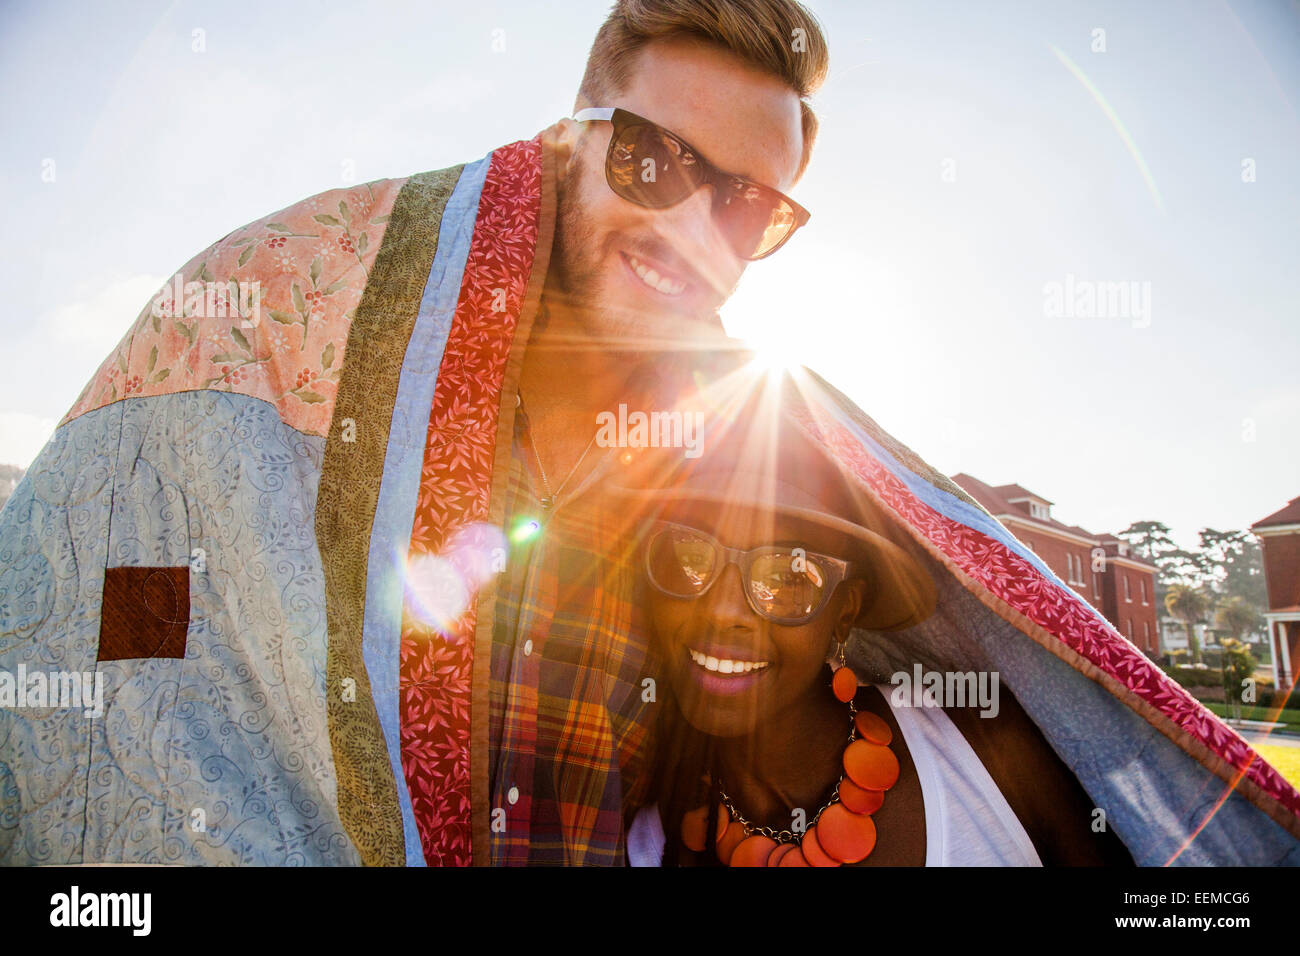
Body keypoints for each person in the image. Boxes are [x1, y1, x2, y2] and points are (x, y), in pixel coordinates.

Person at [0, 0, 830, 865]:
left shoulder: (734, 454)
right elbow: (123, 587)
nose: (693, 232)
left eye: (746, 207)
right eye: (652, 161)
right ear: (569, 140)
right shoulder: (282, 323)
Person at [616, 406, 1135, 866]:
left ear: (845, 614)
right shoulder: (650, 843)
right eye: (689, 557)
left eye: (787, 576)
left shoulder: (988, 751)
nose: (721, 611)